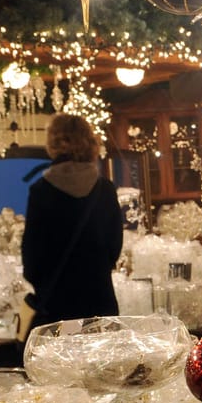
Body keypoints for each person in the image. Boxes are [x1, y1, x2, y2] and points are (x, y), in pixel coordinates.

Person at [21, 113, 124, 330]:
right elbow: (114, 247)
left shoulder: (41, 191)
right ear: (90, 142)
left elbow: (31, 257)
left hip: (56, 306)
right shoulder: (104, 189)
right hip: (100, 298)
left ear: (53, 143)